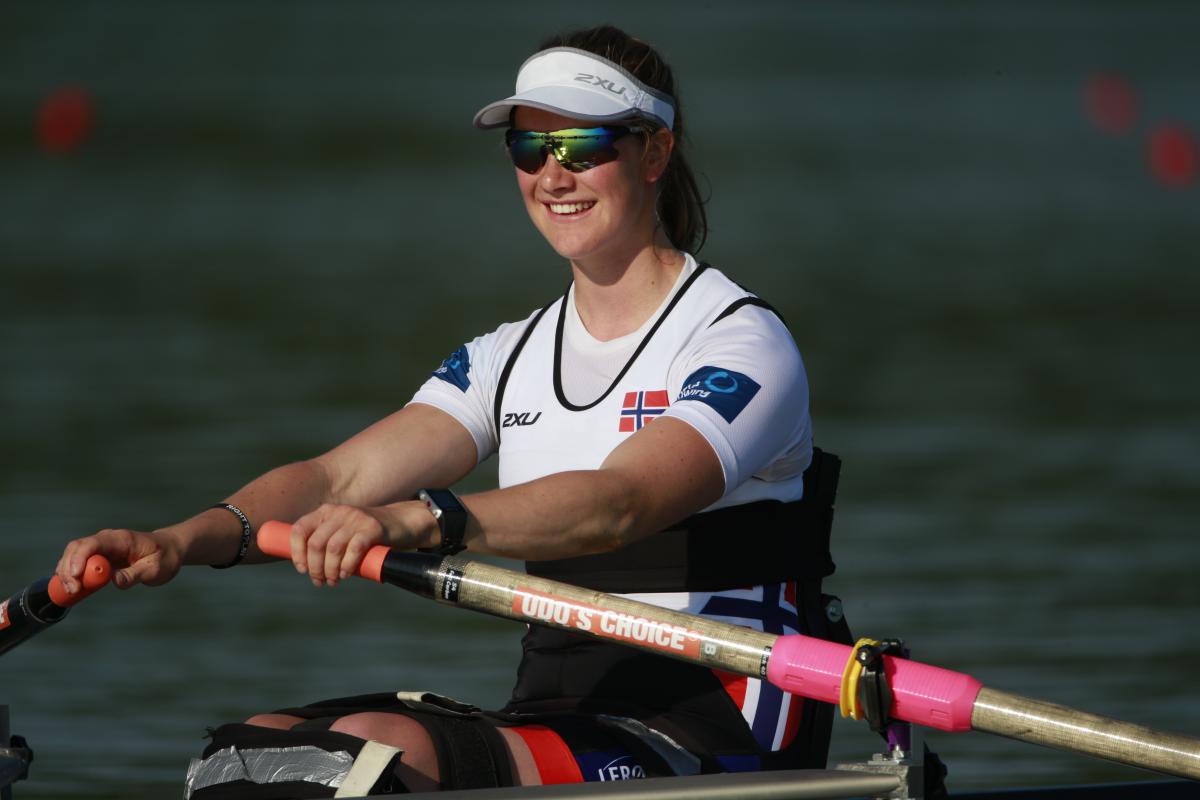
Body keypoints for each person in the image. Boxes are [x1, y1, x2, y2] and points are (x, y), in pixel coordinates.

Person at [55, 24, 846, 796]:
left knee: (371, 753)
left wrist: (423, 519)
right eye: (530, 149)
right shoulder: (505, 357)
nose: (552, 175)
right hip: (561, 709)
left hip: (714, 721)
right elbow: (340, 475)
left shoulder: (739, 342)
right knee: (252, 752)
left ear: (655, 154)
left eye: (582, 146)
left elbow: (620, 504)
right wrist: (176, 539)